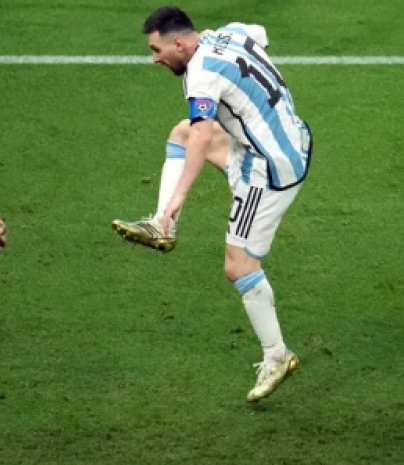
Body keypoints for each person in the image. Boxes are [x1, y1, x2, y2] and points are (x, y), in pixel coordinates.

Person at [118, 6, 313, 402]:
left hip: (269, 170)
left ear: (178, 43)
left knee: (238, 265)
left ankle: (277, 354)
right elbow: (261, 32)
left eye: (156, 50)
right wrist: (215, 38)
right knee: (180, 132)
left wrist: (179, 198)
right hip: (290, 138)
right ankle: (161, 225)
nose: (154, 58)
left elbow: (203, 138)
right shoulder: (233, 31)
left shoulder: (202, 73)